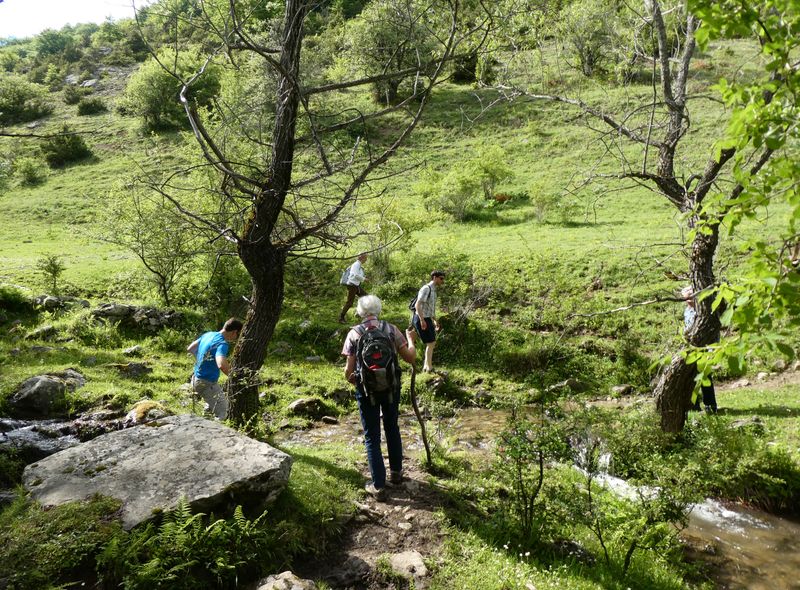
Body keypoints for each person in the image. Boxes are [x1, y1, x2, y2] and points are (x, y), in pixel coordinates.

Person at [342, 295, 417, 500]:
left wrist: (362, 383)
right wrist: (411, 340)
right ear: (378, 310)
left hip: (367, 392)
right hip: (392, 388)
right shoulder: (391, 329)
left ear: (359, 312)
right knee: (392, 426)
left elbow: (349, 373)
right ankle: (396, 473)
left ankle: (378, 486)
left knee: (371, 436)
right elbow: (410, 358)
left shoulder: (354, 334)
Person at [187, 317, 243, 420]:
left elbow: (190, 349)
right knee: (224, 412)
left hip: (195, 379)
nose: (236, 338)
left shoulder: (208, 334)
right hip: (207, 383)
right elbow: (221, 364)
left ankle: (203, 426)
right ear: (234, 332)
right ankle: (214, 435)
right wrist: (234, 376)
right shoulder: (222, 344)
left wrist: (202, 361)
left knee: (210, 410)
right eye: (237, 335)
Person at [682, 286, 718, 413]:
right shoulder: (687, 311)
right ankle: (694, 405)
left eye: (692, 295)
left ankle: (710, 406)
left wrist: (712, 349)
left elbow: (712, 331)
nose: (690, 298)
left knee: (705, 377)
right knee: (691, 378)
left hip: (704, 348)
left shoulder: (702, 311)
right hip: (692, 348)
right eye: (687, 296)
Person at [412, 270, 445, 372]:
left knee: (431, 342)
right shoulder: (426, 288)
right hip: (421, 318)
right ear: (434, 277)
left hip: (427, 318)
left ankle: (427, 367)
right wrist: (422, 320)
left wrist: (434, 320)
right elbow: (417, 305)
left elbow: (430, 308)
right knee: (431, 342)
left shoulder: (434, 290)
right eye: (441, 278)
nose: (442, 281)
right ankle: (428, 367)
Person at [339, 253, 368, 324]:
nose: (366, 260)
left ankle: (358, 313)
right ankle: (341, 318)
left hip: (355, 285)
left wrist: (363, 278)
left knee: (365, 296)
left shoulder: (359, 265)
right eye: (366, 258)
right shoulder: (356, 265)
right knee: (349, 303)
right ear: (362, 258)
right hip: (352, 285)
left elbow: (357, 275)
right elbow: (355, 275)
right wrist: (364, 279)